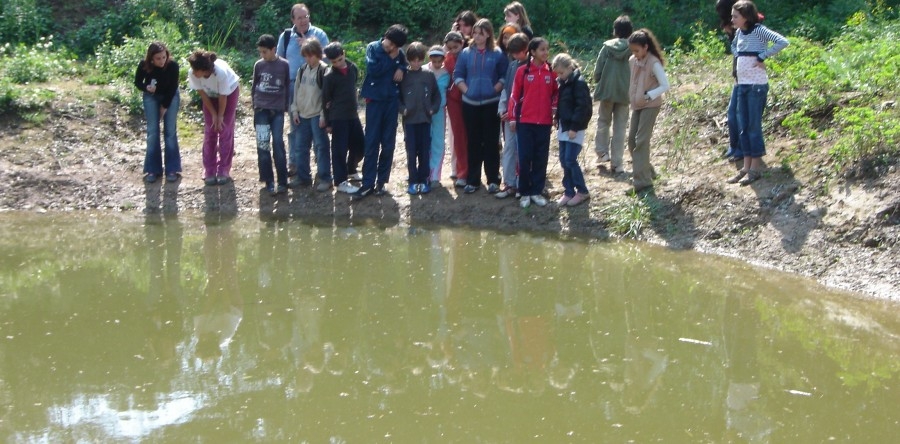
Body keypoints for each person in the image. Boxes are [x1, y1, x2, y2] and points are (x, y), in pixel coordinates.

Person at [726, 0, 788, 186]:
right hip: (742, 85)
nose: (732, 19)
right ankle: (745, 168)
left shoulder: (759, 30)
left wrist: (762, 56)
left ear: (746, 17)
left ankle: (755, 169)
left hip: (756, 86)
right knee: (743, 126)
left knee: (753, 126)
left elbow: (782, 41)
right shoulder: (739, 32)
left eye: (735, 16)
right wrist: (738, 54)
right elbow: (733, 46)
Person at [352, 24, 409, 199]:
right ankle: (367, 183)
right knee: (371, 142)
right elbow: (373, 70)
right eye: (390, 43)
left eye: (395, 46)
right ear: (385, 36)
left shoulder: (399, 53)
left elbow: (405, 65)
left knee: (388, 143)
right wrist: (393, 62)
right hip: (374, 101)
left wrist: (401, 67)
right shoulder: (373, 48)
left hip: (391, 101)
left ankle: (382, 182)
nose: (391, 48)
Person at [454, 18, 508, 195]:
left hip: (491, 104)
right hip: (470, 104)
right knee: (474, 142)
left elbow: (503, 76)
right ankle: (473, 180)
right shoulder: (465, 53)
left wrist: (495, 89)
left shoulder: (498, 53)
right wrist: (467, 90)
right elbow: (458, 75)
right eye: (475, 33)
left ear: (488, 34)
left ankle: (493, 180)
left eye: (481, 33)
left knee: (492, 142)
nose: (477, 36)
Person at [276, 3, 329, 182]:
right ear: (293, 20)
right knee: (296, 128)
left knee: (318, 133)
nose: (303, 20)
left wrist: (309, 45)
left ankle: (321, 171)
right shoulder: (286, 36)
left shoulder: (319, 34)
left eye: (305, 16)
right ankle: (295, 165)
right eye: (299, 18)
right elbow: (279, 61)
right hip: (293, 86)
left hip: (318, 85)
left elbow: (329, 58)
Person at [508, 37, 557, 208]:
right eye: (542, 49)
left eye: (547, 49)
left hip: (544, 122)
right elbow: (514, 96)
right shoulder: (523, 71)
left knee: (540, 157)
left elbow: (556, 95)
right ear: (533, 52)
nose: (545, 52)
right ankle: (524, 192)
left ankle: (536, 191)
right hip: (525, 121)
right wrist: (513, 118)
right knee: (524, 156)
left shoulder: (551, 71)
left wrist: (554, 111)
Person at [626, 29, 670, 194]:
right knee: (632, 141)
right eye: (632, 51)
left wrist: (648, 95)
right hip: (637, 105)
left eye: (637, 50)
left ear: (646, 47)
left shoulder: (654, 63)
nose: (635, 54)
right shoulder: (633, 61)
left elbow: (665, 85)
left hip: (650, 106)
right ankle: (648, 172)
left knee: (641, 142)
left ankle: (642, 182)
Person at [187, 50, 240, 186]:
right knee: (210, 130)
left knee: (224, 129)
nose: (193, 72)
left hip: (229, 93)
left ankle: (224, 169)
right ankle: (209, 169)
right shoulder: (193, 74)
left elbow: (223, 96)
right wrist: (214, 115)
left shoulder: (220, 73)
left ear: (204, 70)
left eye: (195, 70)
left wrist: (220, 116)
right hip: (210, 96)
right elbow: (203, 95)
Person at [134, 42, 182, 184]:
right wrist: (146, 87)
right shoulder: (144, 65)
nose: (162, 61)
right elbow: (137, 82)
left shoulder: (173, 65)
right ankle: (152, 169)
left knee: (170, 131)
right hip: (151, 97)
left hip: (170, 97)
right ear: (151, 59)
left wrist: (164, 107)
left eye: (163, 57)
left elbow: (173, 88)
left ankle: (172, 169)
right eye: (158, 59)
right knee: (152, 132)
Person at [399, 42, 442, 195]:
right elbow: (397, 97)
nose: (416, 63)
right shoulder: (403, 76)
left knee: (424, 151)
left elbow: (437, 96)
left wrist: (433, 109)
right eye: (413, 60)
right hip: (409, 121)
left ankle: (424, 180)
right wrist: (402, 109)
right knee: (411, 152)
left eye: (419, 60)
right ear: (408, 60)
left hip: (425, 120)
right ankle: (412, 181)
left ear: (423, 60)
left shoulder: (428, 75)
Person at [289, 38, 332, 191]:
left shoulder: (324, 70)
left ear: (318, 54)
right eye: (306, 56)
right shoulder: (302, 70)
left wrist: (323, 116)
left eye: (311, 55)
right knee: (301, 147)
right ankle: (303, 177)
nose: (308, 59)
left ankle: (325, 177)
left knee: (321, 147)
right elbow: (296, 92)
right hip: (302, 114)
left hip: (316, 115)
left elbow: (327, 97)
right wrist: (294, 110)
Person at [592, 15, 633, 175]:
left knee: (603, 121)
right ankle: (617, 163)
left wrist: (599, 81)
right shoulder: (633, 48)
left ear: (615, 31)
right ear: (631, 32)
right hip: (625, 93)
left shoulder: (607, 47)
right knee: (620, 127)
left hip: (608, 91)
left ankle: (602, 153)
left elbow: (598, 69)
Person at [251, 34, 291, 196]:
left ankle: (282, 181)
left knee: (278, 144)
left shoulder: (284, 65)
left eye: (265, 52)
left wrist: (285, 106)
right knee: (263, 145)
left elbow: (287, 86)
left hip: (277, 111)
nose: (262, 55)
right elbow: (254, 86)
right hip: (261, 110)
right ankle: (268, 181)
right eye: (260, 52)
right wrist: (255, 105)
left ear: (274, 49)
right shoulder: (259, 65)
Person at [322, 41, 363, 194]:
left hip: (353, 114)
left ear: (344, 54)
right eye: (334, 62)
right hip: (338, 117)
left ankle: (351, 169)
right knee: (339, 150)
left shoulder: (353, 68)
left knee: (360, 145)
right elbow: (325, 99)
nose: (338, 63)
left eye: (340, 59)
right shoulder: (329, 76)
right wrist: (328, 122)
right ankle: (340, 182)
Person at [553, 53, 593, 206]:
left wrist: (575, 127)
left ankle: (582, 191)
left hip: (574, 129)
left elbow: (583, 107)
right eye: (557, 73)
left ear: (570, 68)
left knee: (570, 159)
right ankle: (569, 191)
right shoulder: (564, 82)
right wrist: (557, 117)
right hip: (565, 127)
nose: (559, 76)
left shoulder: (579, 83)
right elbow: (563, 104)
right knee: (563, 159)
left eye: (561, 73)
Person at [495, 32, 530, 199]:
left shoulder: (533, 67)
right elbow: (506, 91)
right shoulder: (512, 66)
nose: (515, 56)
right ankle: (509, 184)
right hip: (509, 116)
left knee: (522, 150)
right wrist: (503, 109)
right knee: (508, 148)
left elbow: (528, 97)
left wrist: (513, 112)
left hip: (525, 117)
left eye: (518, 52)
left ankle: (521, 183)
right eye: (512, 53)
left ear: (526, 49)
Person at [443, 31, 468, 187]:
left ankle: (474, 172)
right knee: (458, 137)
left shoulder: (470, 56)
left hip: (470, 99)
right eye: (450, 48)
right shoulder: (447, 60)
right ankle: (462, 172)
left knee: (472, 136)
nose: (453, 50)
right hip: (454, 101)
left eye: (456, 46)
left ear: (462, 43)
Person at [423, 45, 450, 186]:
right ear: (430, 59)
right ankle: (424, 171)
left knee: (438, 141)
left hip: (439, 110)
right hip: (424, 111)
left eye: (440, 61)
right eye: (435, 62)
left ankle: (435, 174)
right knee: (425, 139)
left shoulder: (446, 72)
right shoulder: (423, 70)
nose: (438, 64)